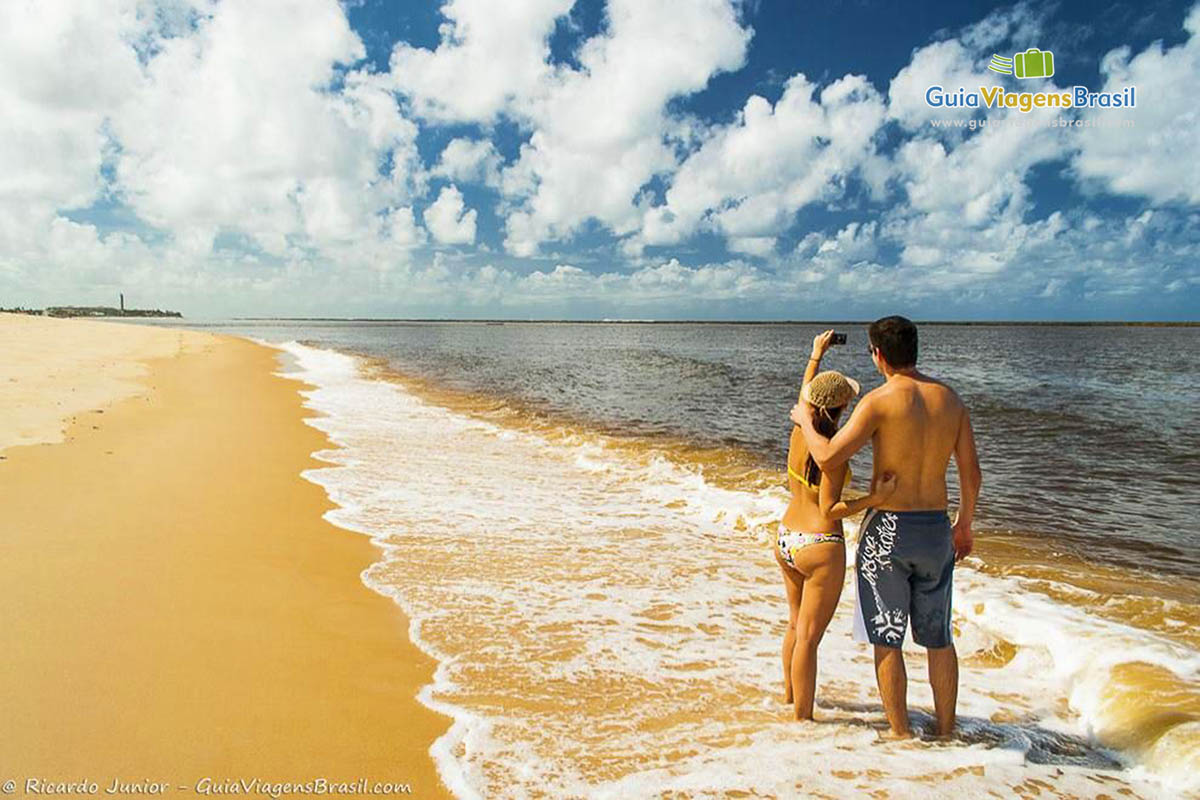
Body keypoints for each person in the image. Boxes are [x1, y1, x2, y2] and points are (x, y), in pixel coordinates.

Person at [790, 316, 981, 739]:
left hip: (888, 533)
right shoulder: (950, 400)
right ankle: (947, 731)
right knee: (939, 638)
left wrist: (804, 420)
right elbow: (972, 473)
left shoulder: (877, 401)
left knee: (888, 637)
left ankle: (901, 734)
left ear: (878, 354)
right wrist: (964, 523)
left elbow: (827, 457)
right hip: (935, 529)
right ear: (915, 350)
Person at [776, 329, 897, 722]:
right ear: (843, 408)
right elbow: (831, 507)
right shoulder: (834, 451)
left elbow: (804, 395)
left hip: (786, 539)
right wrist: (874, 500)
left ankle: (789, 699)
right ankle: (802, 720)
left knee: (795, 627)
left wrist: (815, 353)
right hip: (819, 544)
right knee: (810, 640)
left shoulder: (800, 429)